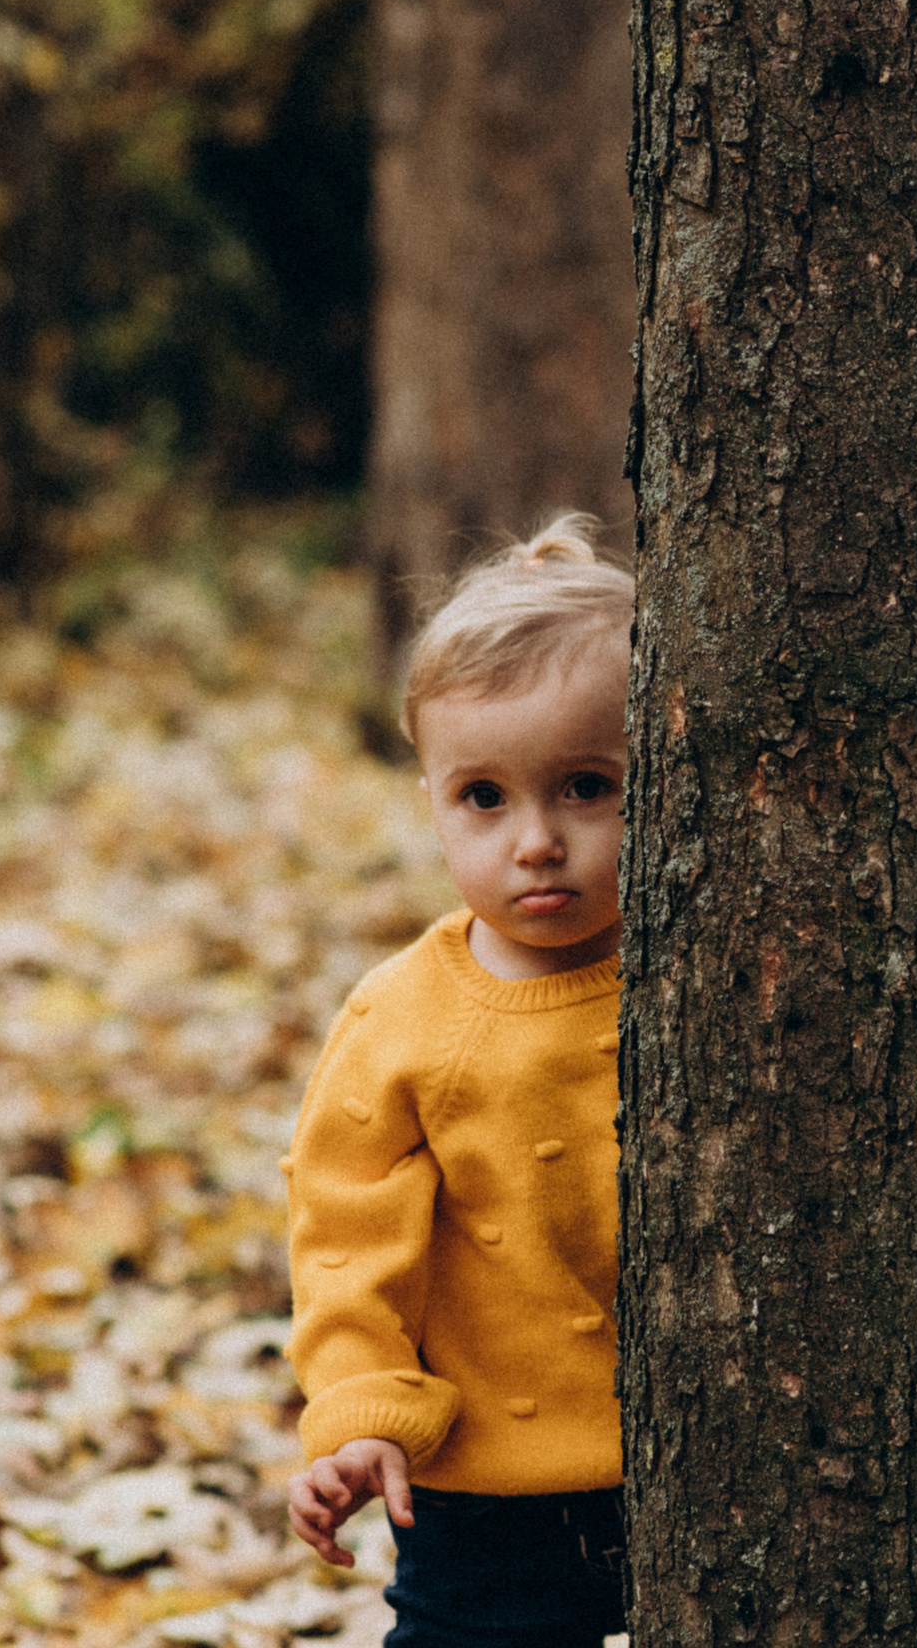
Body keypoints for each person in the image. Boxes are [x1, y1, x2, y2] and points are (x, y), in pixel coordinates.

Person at [282, 513, 633, 1647]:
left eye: (588, 786)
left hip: (701, 1466)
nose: (536, 841)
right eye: (484, 797)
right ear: (431, 799)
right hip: (485, 1488)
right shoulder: (402, 1020)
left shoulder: (708, 982)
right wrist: (359, 1414)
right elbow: (345, 1237)